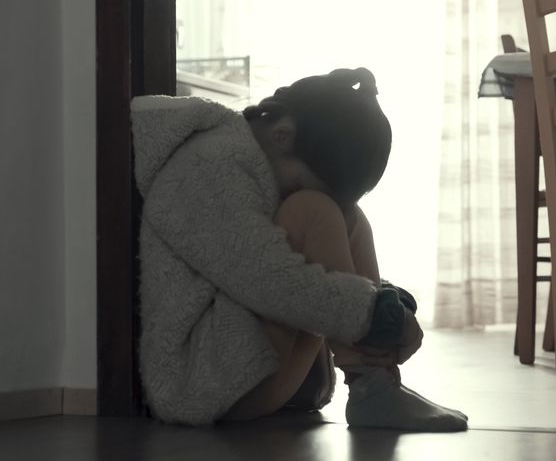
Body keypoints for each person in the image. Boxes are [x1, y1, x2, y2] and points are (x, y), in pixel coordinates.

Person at [130, 67, 467, 431]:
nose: (293, 192)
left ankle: (376, 384)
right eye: (298, 182)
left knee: (347, 215)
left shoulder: (252, 158)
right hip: (200, 385)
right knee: (313, 209)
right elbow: (267, 279)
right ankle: (373, 388)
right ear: (282, 134)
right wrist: (379, 316)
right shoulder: (206, 165)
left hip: (246, 371)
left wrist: (384, 306)